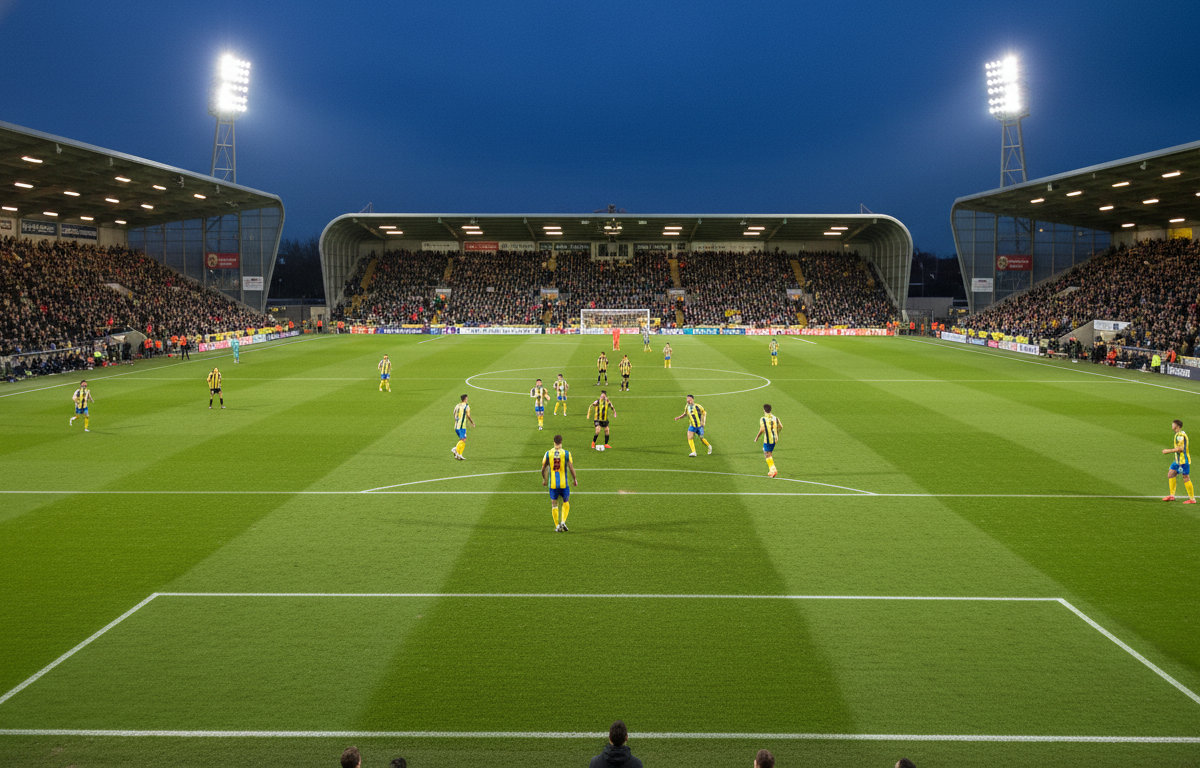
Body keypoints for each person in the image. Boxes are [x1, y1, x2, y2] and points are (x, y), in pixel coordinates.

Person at [542, 433, 578, 532]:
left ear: (554, 442)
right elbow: (571, 468)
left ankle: (557, 526)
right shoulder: (566, 453)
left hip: (552, 484)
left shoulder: (548, 454)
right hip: (564, 484)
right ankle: (563, 521)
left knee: (554, 504)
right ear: (561, 442)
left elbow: (543, 468)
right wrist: (574, 479)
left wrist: (544, 479)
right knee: (566, 501)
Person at [1162, 419, 1195, 503]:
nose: (1172, 426)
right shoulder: (1178, 434)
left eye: (1173, 424)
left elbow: (1180, 448)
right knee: (1171, 474)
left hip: (1182, 461)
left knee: (1186, 478)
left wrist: (1167, 451)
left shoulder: (1180, 435)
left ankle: (1192, 499)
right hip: (1177, 460)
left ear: (1177, 426)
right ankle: (1172, 495)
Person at [753, 403, 783, 477]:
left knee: (766, 453)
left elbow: (762, 429)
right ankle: (771, 471)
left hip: (768, 440)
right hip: (775, 439)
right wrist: (776, 432)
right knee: (769, 453)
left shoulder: (763, 419)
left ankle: (773, 470)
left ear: (764, 410)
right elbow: (781, 427)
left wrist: (757, 437)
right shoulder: (776, 418)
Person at [451, 393, 475, 460]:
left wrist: (456, 419)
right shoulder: (466, 406)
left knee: (462, 439)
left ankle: (458, 455)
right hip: (461, 426)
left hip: (456, 426)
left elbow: (454, 412)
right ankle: (455, 450)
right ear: (466, 399)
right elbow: (468, 415)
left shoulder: (458, 405)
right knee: (463, 439)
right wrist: (472, 422)